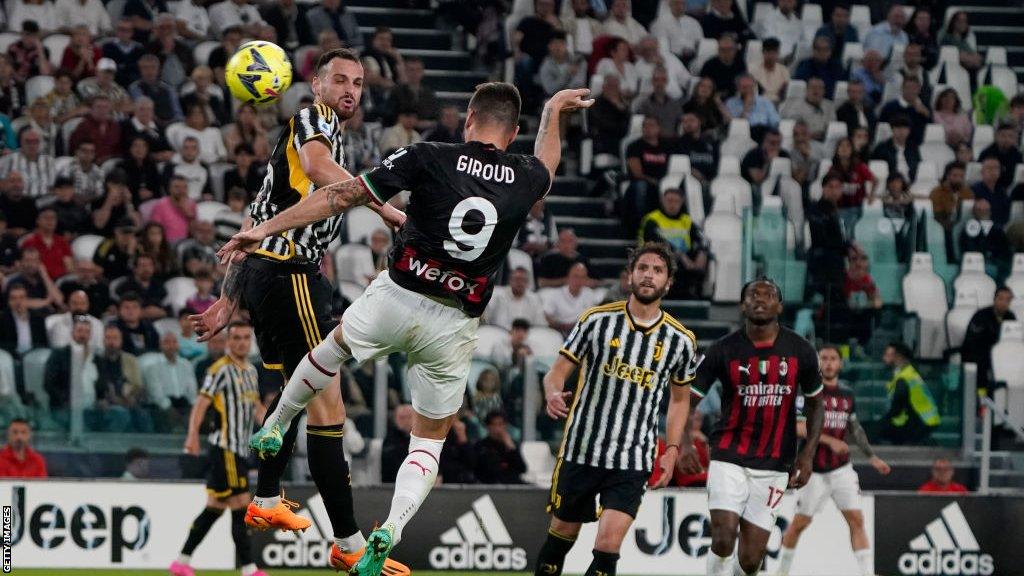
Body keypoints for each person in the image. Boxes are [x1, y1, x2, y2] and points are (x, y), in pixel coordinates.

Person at [229, 83, 591, 576]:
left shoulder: (429, 155)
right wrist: (554, 112)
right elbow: (547, 161)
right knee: (428, 443)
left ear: (468, 119)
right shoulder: (526, 176)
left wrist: (264, 228)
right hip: (455, 323)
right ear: (514, 132)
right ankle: (390, 529)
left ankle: (275, 425)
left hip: (397, 295)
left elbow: (341, 194)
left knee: (327, 354)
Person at [189, 48, 399, 574]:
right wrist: (385, 206)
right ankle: (347, 546)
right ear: (316, 85)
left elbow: (259, 217)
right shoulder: (312, 120)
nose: (351, 89)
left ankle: (269, 500)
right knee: (326, 403)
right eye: (341, 80)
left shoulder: (315, 134)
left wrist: (230, 300)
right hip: (292, 276)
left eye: (358, 82)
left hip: (267, 278)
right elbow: (319, 167)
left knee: (297, 396)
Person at [531, 242, 698, 576]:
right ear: (630, 276)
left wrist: (673, 449)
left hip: (633, 458)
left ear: (667, 283)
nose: (649, 275)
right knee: (562, 536)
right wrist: (551, 392)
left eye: (658, 270)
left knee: (607, 546)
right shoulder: (596, 320)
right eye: (643, 268)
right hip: (582, 448)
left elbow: (680, 400)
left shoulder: (681, 340)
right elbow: (557, 373)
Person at [690, 278, 823, 576]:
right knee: (723, 538)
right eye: (753, 295)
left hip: (775, 463)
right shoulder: (723, 349)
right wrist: (684, 442)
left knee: (750, 561)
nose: (760, 299)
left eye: (768, 295)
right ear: (742, 304)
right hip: (728, 455)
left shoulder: (800, 350)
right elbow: (688, 399)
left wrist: (808, 454)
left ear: (779, 305)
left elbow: (816, 404)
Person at [777, 345, 891, 576]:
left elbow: (855, 427)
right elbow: (799, 427)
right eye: (824, 358)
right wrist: (830, 441)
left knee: (857, 519)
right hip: (812, 469)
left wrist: (872, 456)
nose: (829, 363)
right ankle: (782, 571)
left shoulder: (847, 394)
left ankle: (867, 573)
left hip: (841, 469)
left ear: (840, 364)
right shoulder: (807, 393)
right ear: (819, 363)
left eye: (833, 359)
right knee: (800, 523)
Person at [170, 322, 268, 576]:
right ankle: (249, 568)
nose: (241, 343)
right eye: (236, 338)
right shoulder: (220, 370)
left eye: (246, 338)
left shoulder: (251, 371)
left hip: (239, 449)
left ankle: (181, 561)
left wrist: (271, 427)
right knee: (240, 504)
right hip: (225, 448)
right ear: (228, 341)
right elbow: (201, 404)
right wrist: (192, 435)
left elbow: (255, 405)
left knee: (214, 507)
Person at [639, 187, 708, 299]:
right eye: (669, 201)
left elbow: (702, 239)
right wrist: (681, 256)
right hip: (658, 259)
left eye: (676, 201)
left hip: (685, 262)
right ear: (663, 201)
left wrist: (702, 252)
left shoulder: (686, 220)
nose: (672, 205)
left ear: (682, 203)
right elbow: (655, 242)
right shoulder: (652, 219)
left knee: (701, 259)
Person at [881, 342, 939, 444]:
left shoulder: (904, 377)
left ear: (898, 357)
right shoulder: (907, 373)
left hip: (920, 422)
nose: (884, 358)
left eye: (888, 355)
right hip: (922, 420)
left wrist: (884, 420)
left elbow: (897, 407)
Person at [962, 287, 1015, 398]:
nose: (1004, 303)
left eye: (1007, 300)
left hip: (1001, 359)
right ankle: (982, 401)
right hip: (979, 360)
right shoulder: (981, 316)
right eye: (1001, 299)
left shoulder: (1011, 317)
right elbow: (973, 345)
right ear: (994, 299)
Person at [623, 115, 674, 231]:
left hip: (665, 181)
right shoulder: (634, 146)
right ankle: (641, 224)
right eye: (644, 126)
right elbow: (637, 173)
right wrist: (655, 181)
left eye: (651, 125)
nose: (647, 128)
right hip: (643, 182)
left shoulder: (667, 146)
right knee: (641, 186)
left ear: (658, 128)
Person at [144, 331, 199, 431]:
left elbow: (192, 390)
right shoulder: (152, 367)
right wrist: (169, 409)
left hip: (183, 405)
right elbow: (156, 393)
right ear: (160, 345)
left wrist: (194, 408)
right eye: (167, 342)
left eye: (174, 342)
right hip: (161, 407)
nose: (171, 346)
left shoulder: (186, 365)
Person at [544, 263, 604, 335]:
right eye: (576, 276)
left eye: (582, 277)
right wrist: (561, 327)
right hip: (560, 331)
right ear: (568, 277)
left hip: (582, 331)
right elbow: (547, 316)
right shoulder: (555, 294)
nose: (579, 280)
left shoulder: (589, 294)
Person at [959, 199, 1011, 278]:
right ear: (974, 212)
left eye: (986, 210)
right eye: (979, 210)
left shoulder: (998, 230)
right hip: (976, 263)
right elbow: (968, 249)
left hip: (998, 263)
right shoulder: (968, 229)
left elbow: (1005, 250)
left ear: (990, 212)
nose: (983, 212)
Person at [484, 266, 548, 330]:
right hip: (499, 334)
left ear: (527, 283)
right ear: (510, 281)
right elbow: (486, 319)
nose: (520, 283)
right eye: (517, 279)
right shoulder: (497, 295)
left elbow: (540, 325)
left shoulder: (534, 299)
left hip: (526, 337)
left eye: (523, 280)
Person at [474, 411, 527, 484]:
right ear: (488, 427)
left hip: (512, 485)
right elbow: (489, 469)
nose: (497, 428)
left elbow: (522, 468)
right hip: (491, 485)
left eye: (500, 424)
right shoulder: (481, 446)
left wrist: (511, 448)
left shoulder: (511, 445)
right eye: (494, 425)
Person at [0, 127, 54, 199]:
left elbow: (53, 186)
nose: (32, 145)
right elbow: (2, 183)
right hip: (17, 201)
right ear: (21, 142)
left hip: (44, 202)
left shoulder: (49, 161)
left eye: (35, 141)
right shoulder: (9, 159)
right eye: (28, 142)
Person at [879, 76, 931, 146]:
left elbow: (932, 130)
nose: (911, 91)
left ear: (919, 90)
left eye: (914, 88)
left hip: (918, 146)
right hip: (893, 146)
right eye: (908, 88)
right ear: (902, 89)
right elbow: (882, 128)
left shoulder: (925, 108)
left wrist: (927, 115)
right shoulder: (890, 107)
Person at [780, 77, 834, 141]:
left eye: (820, 88)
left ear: (824, 91)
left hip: (826, 141)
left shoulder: (829, 106)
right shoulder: (795, 106)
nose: (816, 91)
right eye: (813, 87)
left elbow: (833, 127)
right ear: (806, 90)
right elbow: (793, 128)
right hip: (804, 141)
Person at [0, 285, 47, 358]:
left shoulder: (38, 319)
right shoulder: (2, 319)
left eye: (22, 297)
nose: (18, 302)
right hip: (11, 357)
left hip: (34, 357)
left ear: (27, 299)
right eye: (13, 298)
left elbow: (43, 343)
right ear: (9, 301)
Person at [871, 114, 921, 182]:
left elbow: (918, 167)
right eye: (898, 127)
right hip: (890, 184)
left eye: (904, 128)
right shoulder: (881, 148)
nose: (901, 131)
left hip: (911, 183)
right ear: (892, 129)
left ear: (909, 130)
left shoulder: (913, 148)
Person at [700, 33, 746, 99]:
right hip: (713, 98)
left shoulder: (740, 63)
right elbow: (704, 87)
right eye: (723, 49)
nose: (726, 52)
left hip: (736, 97)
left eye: (730, 49)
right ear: (718, 50)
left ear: (735, 50)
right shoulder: (709, 65)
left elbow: (743, 82)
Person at [676, 112, 718, 184]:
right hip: (689, 180)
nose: (688, 124)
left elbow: (717, 163)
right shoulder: (678, 143)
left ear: (700, 121)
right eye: (685, 122)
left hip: (713, 181)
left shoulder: (712, 142)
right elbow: (679, 165)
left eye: (691, 120)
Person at [979, 123, 1023, 190]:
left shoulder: (1017, 155)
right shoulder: (986, 153)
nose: (1007, 139)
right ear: (996, 137)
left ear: (1015, 139)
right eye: (1003, 136)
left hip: (1010, 188)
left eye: (1010, 136)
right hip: (988, 187)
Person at [930, 161, 972, 230]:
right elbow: (938, 217)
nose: (958, 179)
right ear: (947, 176)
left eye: (961, 176)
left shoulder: (967, 192)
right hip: (942, 228)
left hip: (964, 227)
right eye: (955, 175)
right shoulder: (937, 192)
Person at [747, 38, 789, 105]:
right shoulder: (752, 70)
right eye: (768, 52)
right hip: (757, 103)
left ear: (778, 53)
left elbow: (785, 93)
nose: (771, 56)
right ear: (763, 52)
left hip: (779, 104)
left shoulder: (784, 71)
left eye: (774, 52)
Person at [972, 157, 1010, 226]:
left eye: (996, 168)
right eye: (989, 168)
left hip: (1001, 226)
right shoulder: (974, 190)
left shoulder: (1001, 191)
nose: (993, 171)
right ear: (982, 172)